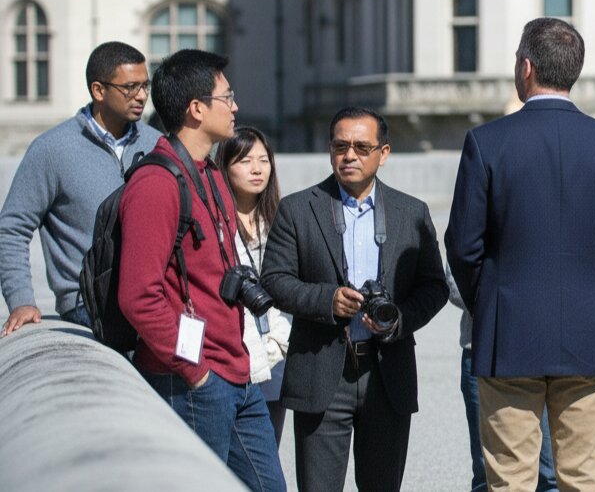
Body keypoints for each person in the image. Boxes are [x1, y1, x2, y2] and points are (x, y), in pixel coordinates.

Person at [445, 17, 595, 491]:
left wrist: (489, 296)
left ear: (527, 67)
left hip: (509, 330)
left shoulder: (487, 142)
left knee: (510, 478)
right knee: (583, 478)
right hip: (588, 329)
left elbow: (463, 244)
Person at [118, 49, 284, 491]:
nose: (235, 107)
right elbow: (138, 295)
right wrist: (197, 372)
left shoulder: (211, 172)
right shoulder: (156, 184)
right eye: (226, 97)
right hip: (193, 380)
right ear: (196, 109)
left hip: (238, 373)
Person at [261, 106, 448, 491]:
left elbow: (435, 286)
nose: (350, 155)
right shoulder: (297, 208)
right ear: (329, 150)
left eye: (363, 147)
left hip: (387, 373)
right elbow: (275, 280)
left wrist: (398, 319)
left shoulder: (411, 212)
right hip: (320, 372)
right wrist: (327, 301)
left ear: (384, 152)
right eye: (341, 145)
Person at [0, 41, 161, 335]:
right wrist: (21, 301)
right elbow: (12, 227)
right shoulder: (52, 149)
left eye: (145, 86)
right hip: (87, 308)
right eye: (130, 87)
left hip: (151, 301)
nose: (141, 96)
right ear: (98, 90)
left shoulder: (155, 143)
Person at [444, 264, 559, 492]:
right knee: (488, 470)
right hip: (484, 350)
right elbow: (454, 278)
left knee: (549, 472)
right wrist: (503, 306)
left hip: (543, 352)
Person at [216, 126, 292, 444]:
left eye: (264, 159)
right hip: (229, 357)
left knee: (267, 451)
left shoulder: (282, 220)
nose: (257, 168)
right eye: (246, 160)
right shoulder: (214, 222)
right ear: (225, 166)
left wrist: (275, 346)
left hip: (276, 358)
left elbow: (291, 290)